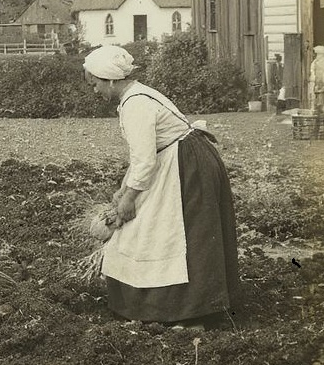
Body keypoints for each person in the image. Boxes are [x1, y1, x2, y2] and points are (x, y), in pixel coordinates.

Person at [83, 45, 238, 326]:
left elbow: (144, 160)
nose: (95, 92)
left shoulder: (136, 104)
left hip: (187, 166)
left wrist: (129, 198)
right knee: (161, 229)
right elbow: (144, 153)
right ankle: (179, 307)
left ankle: (187, 311)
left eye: (95, 84)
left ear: (110, 80)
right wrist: (125, 186)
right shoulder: (136, 95)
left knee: (175, 230)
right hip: (182, 157)